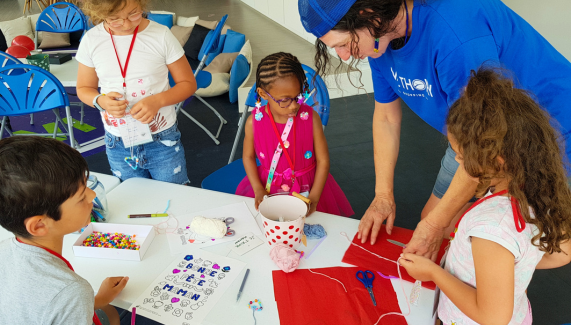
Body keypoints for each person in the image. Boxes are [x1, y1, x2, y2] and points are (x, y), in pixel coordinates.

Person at [299, 0, 571, 260]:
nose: (345, 56)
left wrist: (437, 226)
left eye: (344, 44)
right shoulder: (378, 38)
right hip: (471, 139)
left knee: (536, 246)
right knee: (434, 224)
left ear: (368, 13)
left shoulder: (455, 34)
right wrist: (383, 196)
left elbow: (486, 143)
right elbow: (386, 117)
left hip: (547, 130)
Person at [399, 68, 571, 325]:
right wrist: (508, 271)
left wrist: (433, 273)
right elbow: (564, 251)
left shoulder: (490, 227)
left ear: (495, 161)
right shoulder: (539, 191)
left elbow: (493, 317)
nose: (457, 160)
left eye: (460, 156)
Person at [0, 137, 128, 325]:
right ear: (39, 225)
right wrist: (78, 299)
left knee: (107, 310)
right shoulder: (71, 290)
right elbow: (61, 299)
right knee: (112, 317)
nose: (92, 195)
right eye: (81, 197)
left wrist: (99, 300)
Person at [77, 0, 196, 183]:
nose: (126, 24)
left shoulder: (161, 35)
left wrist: (158, 101)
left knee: (174, 198)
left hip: (162, 140)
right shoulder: (91, 40)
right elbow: (84, 88)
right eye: (114, 19)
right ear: (99, 15)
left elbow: (188, 83)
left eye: (133, 13)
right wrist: (100, 101)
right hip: (118, 142)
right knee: (133, 200)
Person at [236, 52, 354, 217]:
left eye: (298, 96)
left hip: (309, 187)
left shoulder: (311, 118)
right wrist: (258, 188)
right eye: (285, 100)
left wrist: (314, 196)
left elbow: (323, 160)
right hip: (268, 187)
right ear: (263, 94)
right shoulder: (253, 122)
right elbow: (248, 157)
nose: (294, 106)